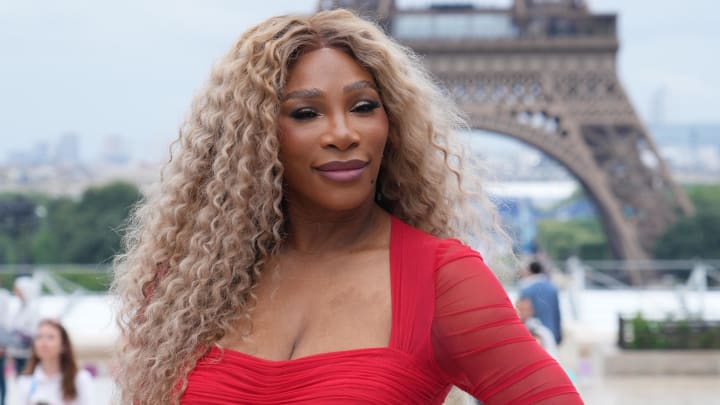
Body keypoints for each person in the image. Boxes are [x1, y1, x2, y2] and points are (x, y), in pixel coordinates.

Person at [113, 9, 583, 404]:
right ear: (255, 141)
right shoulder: (193, 284)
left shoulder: (440, 281)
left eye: (363, 107)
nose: (343, 133)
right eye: (306, 113)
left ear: (393, 123)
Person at [12, 319, 95, 405]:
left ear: (63, 345)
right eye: (39, 337)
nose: (43, 343)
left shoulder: (80, 379)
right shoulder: (25, 381)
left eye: (50, 337)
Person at [519, 260, 563, 344]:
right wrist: (559, 336)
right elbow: (557, 312)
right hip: (552, 332)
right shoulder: (552, 288)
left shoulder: (525, 289)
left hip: (534, 335)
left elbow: (522, 314)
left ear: (530, 271)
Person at [8, 277, 41, 375]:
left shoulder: (33, 309)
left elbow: (34, 331)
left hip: (28, 353)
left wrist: (20, 334)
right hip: (18, 351)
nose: (16, 293)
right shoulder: (19, 308)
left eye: (18, 290)